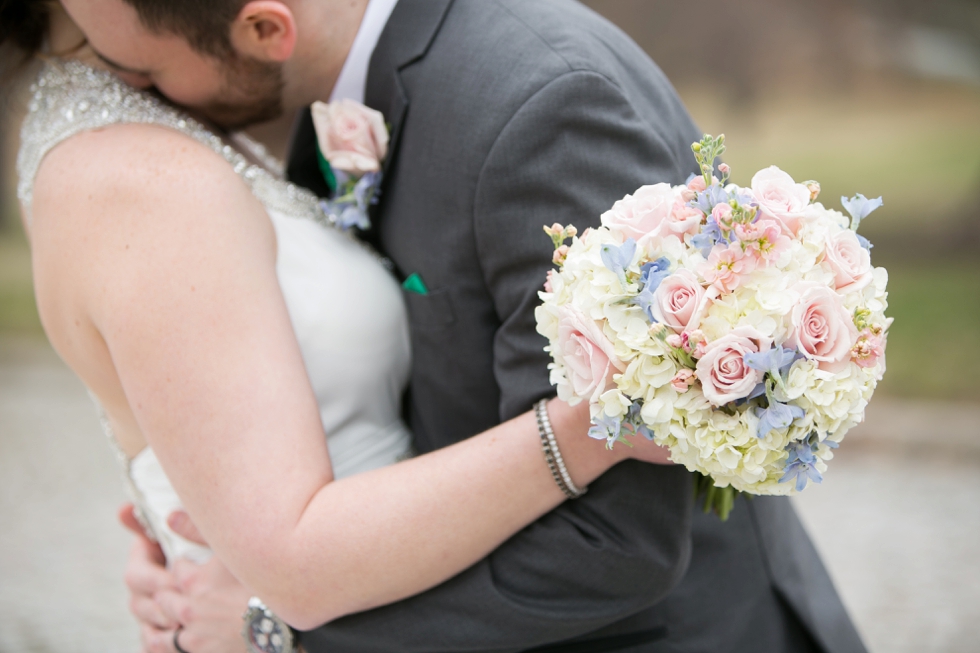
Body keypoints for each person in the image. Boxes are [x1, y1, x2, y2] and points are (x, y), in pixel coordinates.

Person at [14, 0, 868, 652]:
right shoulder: (349, 94)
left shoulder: (536, 106)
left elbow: (615, 540)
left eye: (151, 77)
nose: (147, 102)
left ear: (265, 29)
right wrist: (198, 518)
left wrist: (275, 623)